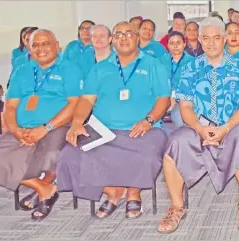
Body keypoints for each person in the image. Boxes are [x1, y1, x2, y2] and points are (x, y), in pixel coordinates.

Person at [57, 21, 171, 219]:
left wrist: (149, 120)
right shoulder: (100, 68)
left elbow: (164, 99)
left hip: (145, 128)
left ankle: (134, 192)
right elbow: (86, 100)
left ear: (137, 38)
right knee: (70, 154)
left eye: (129, 33)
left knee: (146, 155)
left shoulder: (153, 65)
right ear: (112, 40)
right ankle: (113, 190)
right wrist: (76, 123)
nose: (124, 37)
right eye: (118, 34)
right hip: (103, 130)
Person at [156, 17, 239, 233]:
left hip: (233, 125)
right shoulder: (190, 68)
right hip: (198, 126)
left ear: (224, 39)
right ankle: (176, 207)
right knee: (174, 142)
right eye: (206, 38)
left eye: (216, 38)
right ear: (199, 40)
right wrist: (201, 129)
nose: (211, 43)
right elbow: (185, 107)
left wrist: (225, 128)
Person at [0, 29, 81, 220]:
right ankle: (44, 188)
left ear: (57, 46)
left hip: (57, 126)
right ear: (29, 47)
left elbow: (75, 104)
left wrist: (45, 129)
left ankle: (43, 186)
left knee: (48, 158)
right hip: (22, 128)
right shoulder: (22, 70)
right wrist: (16, 130)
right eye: (35, 45)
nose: (41, 49)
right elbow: (10, 107)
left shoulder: (70, 69)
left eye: (46, 43)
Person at [159, 31, 195, 129]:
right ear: (167, 45)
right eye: (172, 43)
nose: (175, 46)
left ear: (184, 44)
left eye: (178, 43)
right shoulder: (159, 61)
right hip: (162, 97)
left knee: (178, 115)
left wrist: (175, 99)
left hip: (183, 100)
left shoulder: (193, 62)